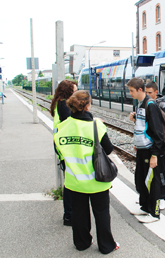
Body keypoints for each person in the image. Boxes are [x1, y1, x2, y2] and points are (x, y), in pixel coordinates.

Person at [53, 90, 119, 254]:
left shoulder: (61, 127)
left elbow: (59, 152)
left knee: (79, 214)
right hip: (97, 180)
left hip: (74, 181)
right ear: (88, 105)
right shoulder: (96, 125)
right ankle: (106, 245)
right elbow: (109, 149)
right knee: (102, 214)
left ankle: (82, 243)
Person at [128, 77, 164, 223]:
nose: (130, 93)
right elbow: (145, 126)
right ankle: (144, 207)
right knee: (141, 179)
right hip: (142, 149)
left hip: (150, 150)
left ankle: (154, 213)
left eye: (132, 91)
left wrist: (155, 154)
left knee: (151, 182)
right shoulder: (140, 104)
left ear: (140, 90)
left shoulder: (150, 105)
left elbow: (157, 131)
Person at [50, 79, 77, 227]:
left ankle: (69, 214)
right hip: (65, 147)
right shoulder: (65, 105)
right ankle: (69, 216)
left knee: (69, 180)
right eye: (74, 89)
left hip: (61, 145)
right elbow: (70, 124)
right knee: (70, 183)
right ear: (68, 91)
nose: (77, 92)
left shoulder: (59, 102)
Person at [145, 81, 165, 210]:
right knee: (148, 171)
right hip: (148, 144)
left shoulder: (163, 106)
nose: (147, 95)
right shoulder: (143, 104)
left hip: (161, 145)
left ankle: (162, 196)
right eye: (146, 92)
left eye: (150, 92)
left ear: (156, 92)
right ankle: (151, 195)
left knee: (160, 171)